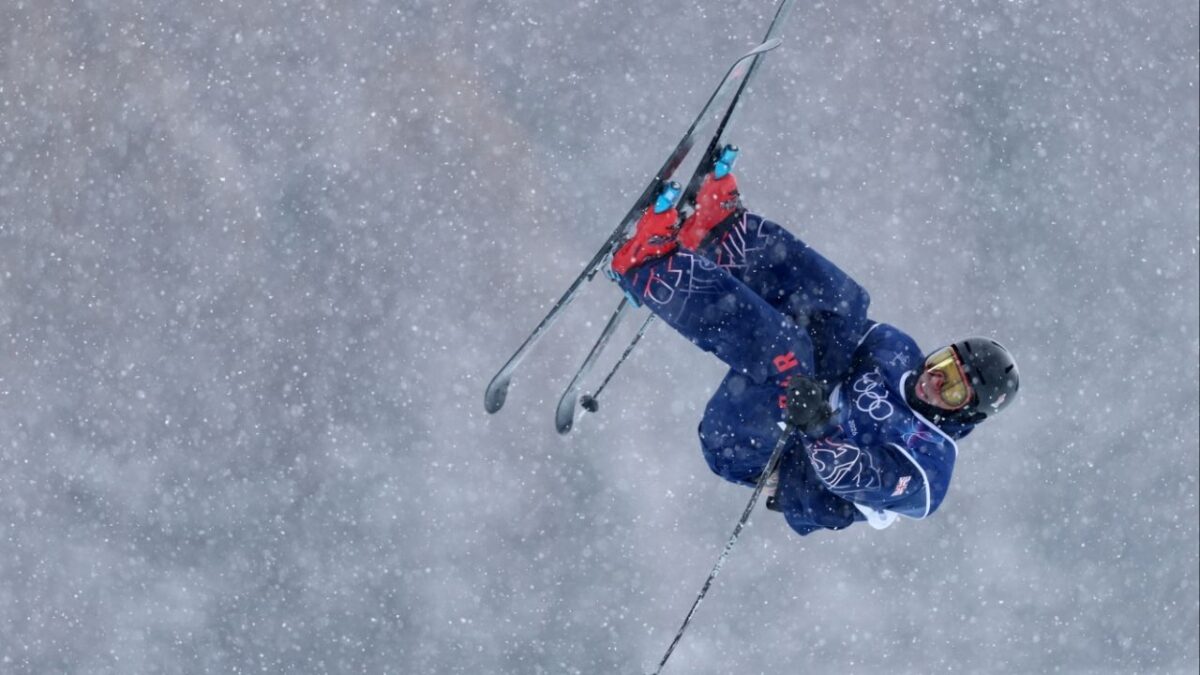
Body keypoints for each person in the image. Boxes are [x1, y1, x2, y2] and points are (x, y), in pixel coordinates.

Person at [607, 146, 1020, 536]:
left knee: (790, 353)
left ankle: (649, 268)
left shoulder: (929, 467)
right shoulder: (898, 353)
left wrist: (818, 426)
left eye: (951, 388)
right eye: (944, 364)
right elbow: (829, 323)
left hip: (752, 449)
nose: (933, 379)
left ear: (965, 413)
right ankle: (719, 235)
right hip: (802, 396)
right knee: (847, 303)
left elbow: (852, 476)